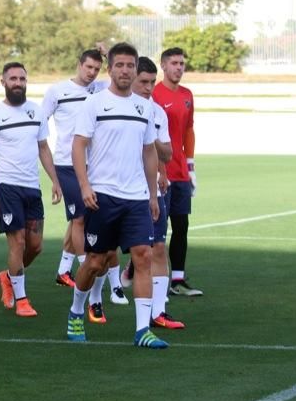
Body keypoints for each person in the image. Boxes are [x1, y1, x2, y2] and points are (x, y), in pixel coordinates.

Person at [66, 42, 168, 349]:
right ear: (110, 69)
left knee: (144, 257)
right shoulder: (95, 104)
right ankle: (75, 312)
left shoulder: (145, 107)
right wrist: (84, 186)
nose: (125, 70)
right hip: (103, 196)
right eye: (120, 65)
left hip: (136, 197)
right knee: (96, 262)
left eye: (130, 65)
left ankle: (142, 330)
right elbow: (78, 145)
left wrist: (152, 194)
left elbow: (149, 151)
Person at [41, 49, 128, 318]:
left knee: (97, 221)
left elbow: (127, 74)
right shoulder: (57, 91)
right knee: (79, 218)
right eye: (88, 67)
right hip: (67, 164)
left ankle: (71, 270)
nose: (91, 73)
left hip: (97, 167)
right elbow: (39, 123)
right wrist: (52, 176)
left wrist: (109, 51)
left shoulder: (101, 88)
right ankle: (89, 280)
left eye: (96, 68)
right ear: (79, 64)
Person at [0, 62, 62, 318]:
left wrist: (56, 181)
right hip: (6, 186)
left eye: (22, 79)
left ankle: (8, 277)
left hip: (31, 187)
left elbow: (43, 148)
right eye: (13, 78)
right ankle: (22, 300)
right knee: (17, 242)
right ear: (3, 82)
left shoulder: (36, 112)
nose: (18, 83)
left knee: (35, 246)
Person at [131, 57, 185, 329]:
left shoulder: (157, 113)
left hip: (149, 190)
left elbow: (166, 152)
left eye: (152, 82)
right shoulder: (117, 107)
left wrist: (151, 138)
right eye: (144, 82)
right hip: (118, 191)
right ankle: (88, 302)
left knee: (158, 248)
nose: (149, 87)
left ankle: (158, 312)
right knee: (99, 258)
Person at [152, 47, 203, 297]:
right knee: (156, 228)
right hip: (161, 171)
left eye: (182, 63)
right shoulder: (154, 94)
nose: (179, 68)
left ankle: (178, 280)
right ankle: (138, 270)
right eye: (174, 63)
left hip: (180, 171)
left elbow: (188, 131)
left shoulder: (187, 95)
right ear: (163, 65)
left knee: (181, 225)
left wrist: (191, 166)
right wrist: (158, 169)